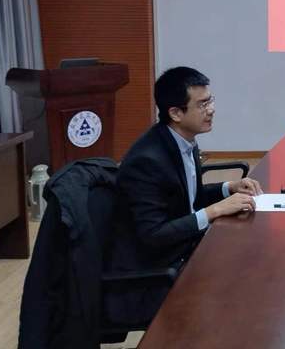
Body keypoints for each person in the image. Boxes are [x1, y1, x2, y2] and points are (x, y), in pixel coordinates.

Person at [107, 66, 263, 324]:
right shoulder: (147, 161)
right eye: (202, 104)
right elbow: (153, 235)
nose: (211, 110)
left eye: (210, 100)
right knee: (245, 284)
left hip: (181, 249)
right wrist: (213, 211)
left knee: (253, 258)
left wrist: (228, 188)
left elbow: (186, 198)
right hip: (156, 272)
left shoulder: (182, 140)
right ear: (176, 113)